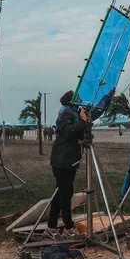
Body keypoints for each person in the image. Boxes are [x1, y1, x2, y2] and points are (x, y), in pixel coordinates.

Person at [43, 91, 88, 241]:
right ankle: (68, 227)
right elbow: (69, 132)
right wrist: (82, 121)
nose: (81, 101)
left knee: (61, 193)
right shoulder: (65, 113)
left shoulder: (75, 113)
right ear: (71, 101)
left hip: (69, 159)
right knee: (66, 194)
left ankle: (51, 227)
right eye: (78, 99)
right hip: (62, 160)